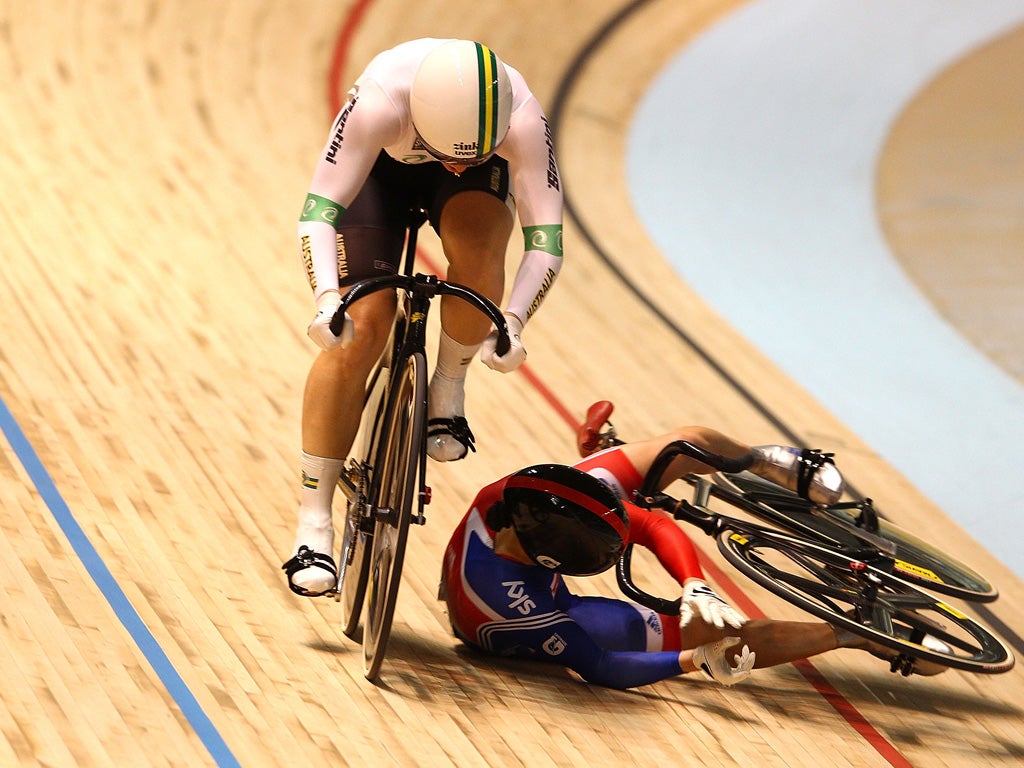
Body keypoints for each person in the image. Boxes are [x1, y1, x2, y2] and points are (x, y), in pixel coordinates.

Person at [283, 39, 564, 596]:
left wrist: (513, 319)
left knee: (481, 255)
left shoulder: (521, 118)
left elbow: (546, 240)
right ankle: (313, 524)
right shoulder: (380, 102)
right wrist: (325, 299)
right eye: (452, 152)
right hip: (377, 174)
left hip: (457, 191)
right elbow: (318, 211)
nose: (461, 162)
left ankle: (447, 390)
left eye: (475, 153)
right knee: (360, 328)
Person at [439, 420, 948, 689]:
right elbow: (601, 666)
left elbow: (654, 525)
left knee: (687, 444)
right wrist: (692, 660)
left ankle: (766, 461)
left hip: (527, 551)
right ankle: (859, 634)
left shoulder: (518, 493)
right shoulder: (517, 608)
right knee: (720, 638)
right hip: (528, 620)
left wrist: (694, 583)